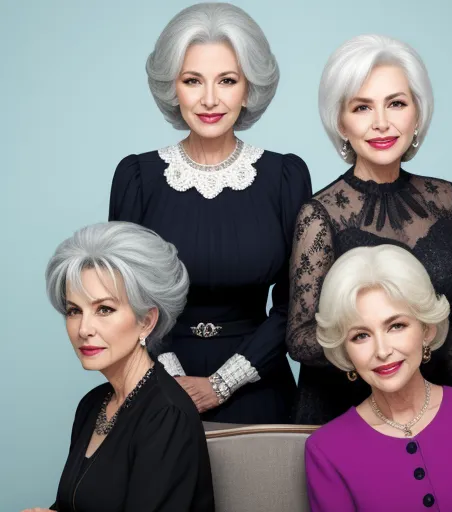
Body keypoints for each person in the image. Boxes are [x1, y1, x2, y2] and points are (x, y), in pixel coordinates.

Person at [286, 34, 452, 424]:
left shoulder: (446, 199)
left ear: (417, 114)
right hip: (345, 413)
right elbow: (301, 338)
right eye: (361, 107)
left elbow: (449, 319)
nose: (381, 123)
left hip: (435, 403)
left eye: (396, 103)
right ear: (340, 121)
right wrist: (383, 345)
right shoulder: (319, 214)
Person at [109, 3, 312, 424]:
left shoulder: (284, 176)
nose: (209, 99)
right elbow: (126, 299)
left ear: (249, 87)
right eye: (192, 80)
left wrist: (221, 383)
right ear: (172, 87)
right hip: (157, 382)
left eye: (227, 80)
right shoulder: (137, 177)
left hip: (260, 380)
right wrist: (173, 379)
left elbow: (297, 303)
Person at [21, 222, 214, 512]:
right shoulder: (93, 404)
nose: (84, 329)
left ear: (146, 321)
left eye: (104, 309)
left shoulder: (166, 415)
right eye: (74, 311)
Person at [305, 245, 452, 511]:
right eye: (361, 336)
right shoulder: (326, 451)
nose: (382, 351)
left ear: (426, 329)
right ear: (346, 349)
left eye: (396, 326)